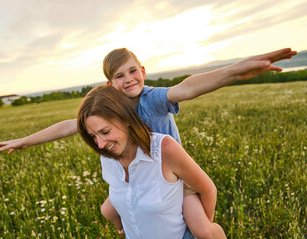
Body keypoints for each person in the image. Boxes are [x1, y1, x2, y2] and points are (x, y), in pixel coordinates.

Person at [0, 47, 297, 237]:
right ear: (109, 85)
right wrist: (26, 140)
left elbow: (187, 88)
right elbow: (70, 125)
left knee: (202, 230)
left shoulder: (151, 99)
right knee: (109, 210)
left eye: (132, 71)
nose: (128, 79)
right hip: (142, 177)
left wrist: (234, 71)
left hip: (175, 179)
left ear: (143, 71)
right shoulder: (114, 108)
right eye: (119, 76)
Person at [77, 85, 225, 239]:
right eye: (93, 137)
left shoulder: (164, 149)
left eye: (105, 132)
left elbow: (208, 190)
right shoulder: (106, 157)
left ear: (126, 119)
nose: (100, 144)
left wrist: (203, 230)